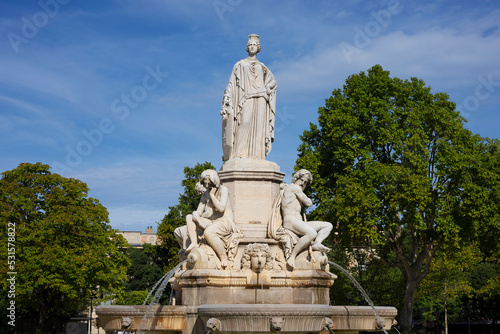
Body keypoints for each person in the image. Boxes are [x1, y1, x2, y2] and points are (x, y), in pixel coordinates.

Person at [220, 34, 277, 160]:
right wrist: (227, 99)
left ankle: (258, 156)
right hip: (246, 97)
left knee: (259, 127)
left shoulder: (262, 66)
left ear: (258, 48)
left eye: (254, 45)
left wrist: (267, 89)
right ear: (247, 48)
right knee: (244, 122)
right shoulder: (240, 65)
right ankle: (238, 153)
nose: (252, 47)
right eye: (250, 45)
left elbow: (273, 82)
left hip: (261, 97)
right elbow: (231, 84)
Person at [271, 169, 332, 268]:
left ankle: (317, 243)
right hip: (290, 221)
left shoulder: (294, 189)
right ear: (296, 178)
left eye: (306, 182)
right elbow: (308, 203)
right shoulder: (293, 188)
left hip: (298, 221)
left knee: (328, 226)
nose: (303, 183)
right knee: (312, 233)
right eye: (302, 180)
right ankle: (292, 256)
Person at [185, 169, 242, 268]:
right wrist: (195, 215)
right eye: (205, 183)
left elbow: (221, 208)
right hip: (212, 221)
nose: (206, 186)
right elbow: (199, 211)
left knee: (208, 232)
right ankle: (194, 243)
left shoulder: (223, 190)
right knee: (189, 217)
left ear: (214, 181)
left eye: (209, 183)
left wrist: (212, 195)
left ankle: (223, 257)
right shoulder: (205, 194)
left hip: (225, 221)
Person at [174, 182, 206, 250]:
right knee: (178, 231)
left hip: (208, 223)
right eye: (198, 192)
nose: (200, 193)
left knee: (186, 230)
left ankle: (189, 248)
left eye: (200, 191)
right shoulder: (203, 199)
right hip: (200, 222)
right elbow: (198, 212)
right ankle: (187, 248)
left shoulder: (214, 196)